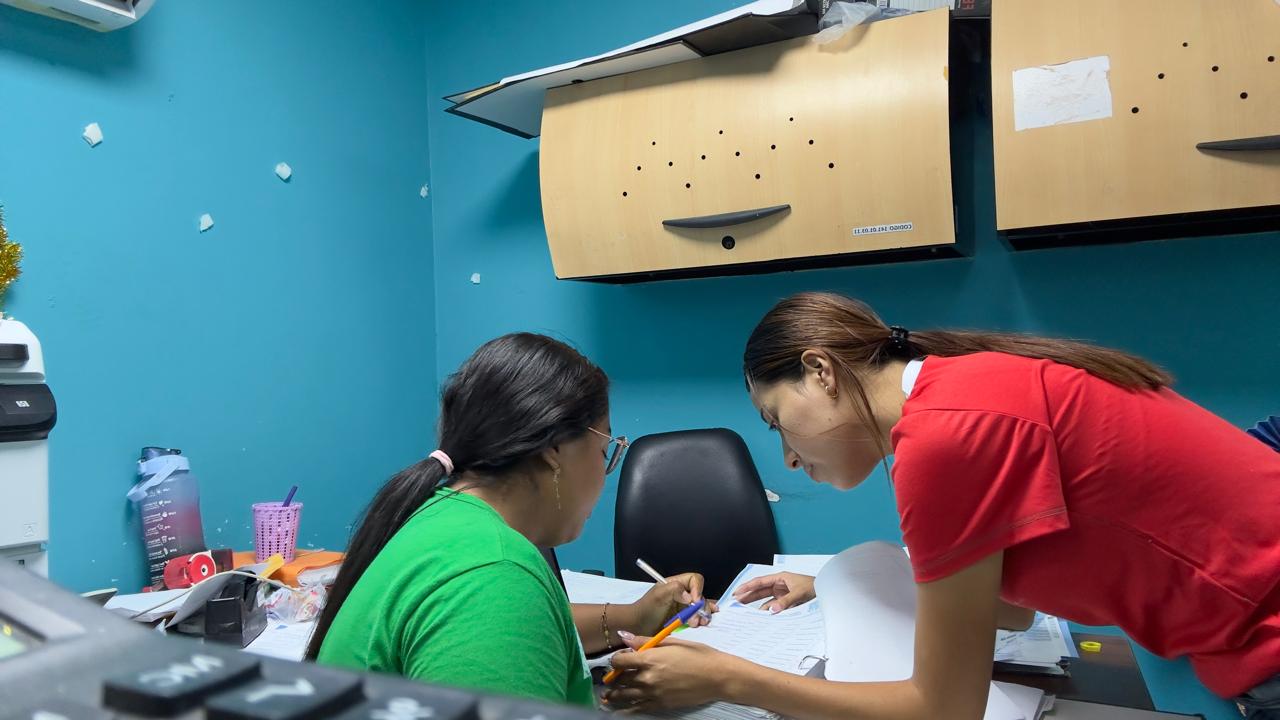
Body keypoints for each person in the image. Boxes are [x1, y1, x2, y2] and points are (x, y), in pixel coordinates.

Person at [607, 292, 1280, 719]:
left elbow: (943, 709)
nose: (785, 456)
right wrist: (835, 583)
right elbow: (1012, 605)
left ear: (820, 371)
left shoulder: (943, 438)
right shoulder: (962, 386)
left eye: (776, 420)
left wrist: (727, 678)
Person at [310, 333, 714, 707]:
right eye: (605, 448)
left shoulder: (442, 515)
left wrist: (634, 616)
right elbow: (496, 616)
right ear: (555, 449)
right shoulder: (494, 576)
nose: (603, 470)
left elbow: (519, 629)